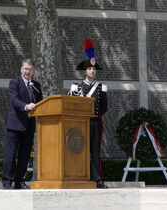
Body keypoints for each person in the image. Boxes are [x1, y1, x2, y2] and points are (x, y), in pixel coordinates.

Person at [68, 39, 108, 188]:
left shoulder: (101, 87)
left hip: (95, 122)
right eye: (90, 69)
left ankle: (98, 179)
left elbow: (104, 107)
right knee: (78, 150)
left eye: (94, 69)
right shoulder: (75, 86)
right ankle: (78, 177)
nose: (92, 71)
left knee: (95, 152)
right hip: (80, 123)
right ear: (85, 71)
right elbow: (71, 105)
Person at [2, 59, 43, 189]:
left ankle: (19, 181)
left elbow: (41, 102)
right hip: (15, 124)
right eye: (25, 69)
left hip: (29, 126)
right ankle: (7, 181)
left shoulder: (36, 85)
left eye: (30, 69)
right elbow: (14, 100)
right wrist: (26, 106)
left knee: (25, 155)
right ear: (21, 69)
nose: (27, 71)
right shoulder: (14, 83)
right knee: (11, 154)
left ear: (33, 71)